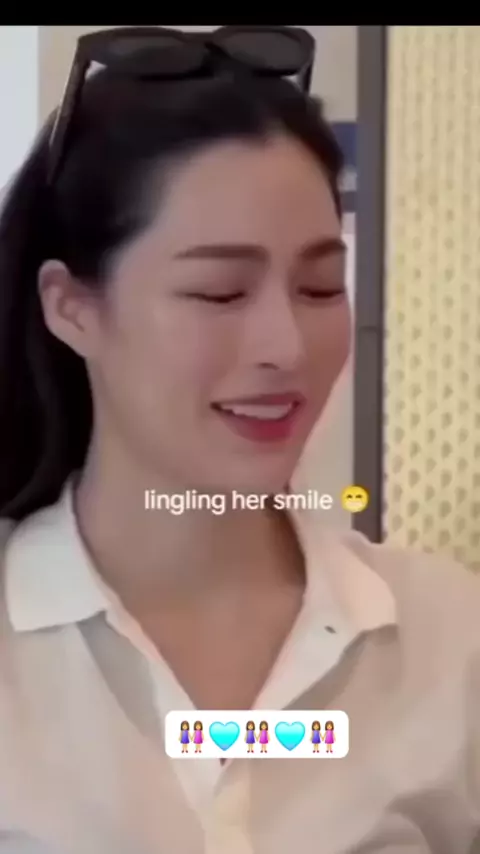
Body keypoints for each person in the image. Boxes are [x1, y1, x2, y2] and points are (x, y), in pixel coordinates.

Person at [0, 23, 479, 854]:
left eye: (319, 286)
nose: (286, 346)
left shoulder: (449, 639)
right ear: (71, 307)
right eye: (220, 292)